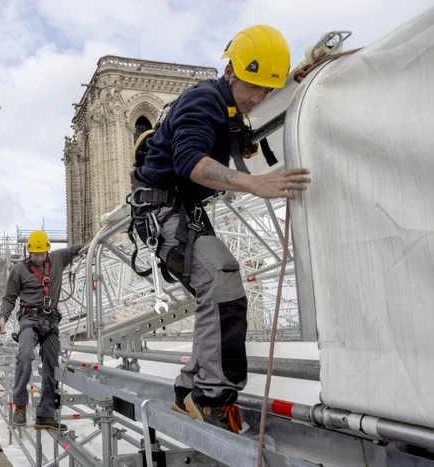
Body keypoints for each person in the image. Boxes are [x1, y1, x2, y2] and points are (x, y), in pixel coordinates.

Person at [130, 25, 311, 433]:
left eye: (267, 90)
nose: (259, 98)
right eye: (255, 87)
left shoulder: (231, 108)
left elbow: (253, 114)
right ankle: (212, 396)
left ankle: (190, 389)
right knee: (224, 284)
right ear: (230, 71)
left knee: (219, 289)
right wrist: (254, 183)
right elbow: (191, 161)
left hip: (181, 210)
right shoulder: (203, 101)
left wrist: (299, 74)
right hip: (165, 209)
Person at [0, 230, 83, 430]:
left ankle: (45, 414)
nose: (39, 257)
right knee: (25, 355)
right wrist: (3, 317)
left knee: (52, 364)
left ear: (47, 250)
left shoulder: (57, 259)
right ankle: (20, 406)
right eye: (36, 254)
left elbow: (75, 249)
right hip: (29, 319)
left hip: (51, 320)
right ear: (29, 252)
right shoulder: (18, 270)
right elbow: (9, 297)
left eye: (43, 253)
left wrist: (93, 246)